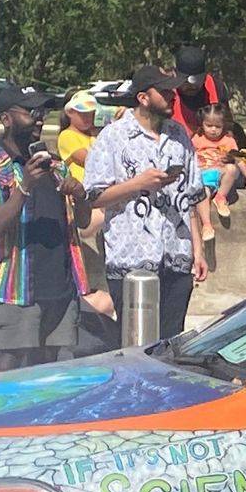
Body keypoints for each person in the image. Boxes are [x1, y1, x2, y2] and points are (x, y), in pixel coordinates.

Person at [0, 84, 91, 371]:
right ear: (6, 119)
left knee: (46, 371)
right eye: (30, 112)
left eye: (42, 112)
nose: (39, 119)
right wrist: (24, 187)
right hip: (14, 289)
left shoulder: (55, 165)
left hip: (59, 288)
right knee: (6, 367)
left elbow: (83, 222)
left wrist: (81, 195)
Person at [86, 64, 212, 333]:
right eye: (164, 92)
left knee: (171, 338)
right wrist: (137, 184)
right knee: (135, 339)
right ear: (143, 98)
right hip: (131, 260)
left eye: (172, 91)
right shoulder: (113, 137)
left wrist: (198, 251)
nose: (172, 97)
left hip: (177, 257)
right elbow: (94, 197)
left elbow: (190, 197)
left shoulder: (179, 135)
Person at [191, 102, 246, 224]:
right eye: (209, 125)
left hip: (221, 175)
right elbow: (189, 157)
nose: (213, 130)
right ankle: (206, 224)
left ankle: (220, 196)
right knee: (204, 195)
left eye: (217, 126)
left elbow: (239, 160)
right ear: (202, 124)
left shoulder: (228, 141)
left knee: (231, 168)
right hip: (204, 175)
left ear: (224, 125)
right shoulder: (197, 139)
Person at [57, 89, 101, 185]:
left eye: (91, 113)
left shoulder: (94, 135)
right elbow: (90, 160)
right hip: (82, 188)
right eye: (83, 114)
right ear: (70, 112)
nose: (88, 117)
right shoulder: (67, 135)